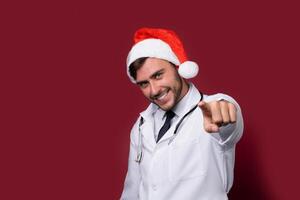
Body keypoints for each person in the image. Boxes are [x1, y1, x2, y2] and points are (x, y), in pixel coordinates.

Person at [120, 27, 244, 200]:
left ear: (177, 67)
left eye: (158, 75)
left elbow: (229, 122)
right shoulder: (141, 126)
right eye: (143, 84)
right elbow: (132, 190)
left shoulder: (210, 110)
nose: (154, 90)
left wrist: (226, 109)